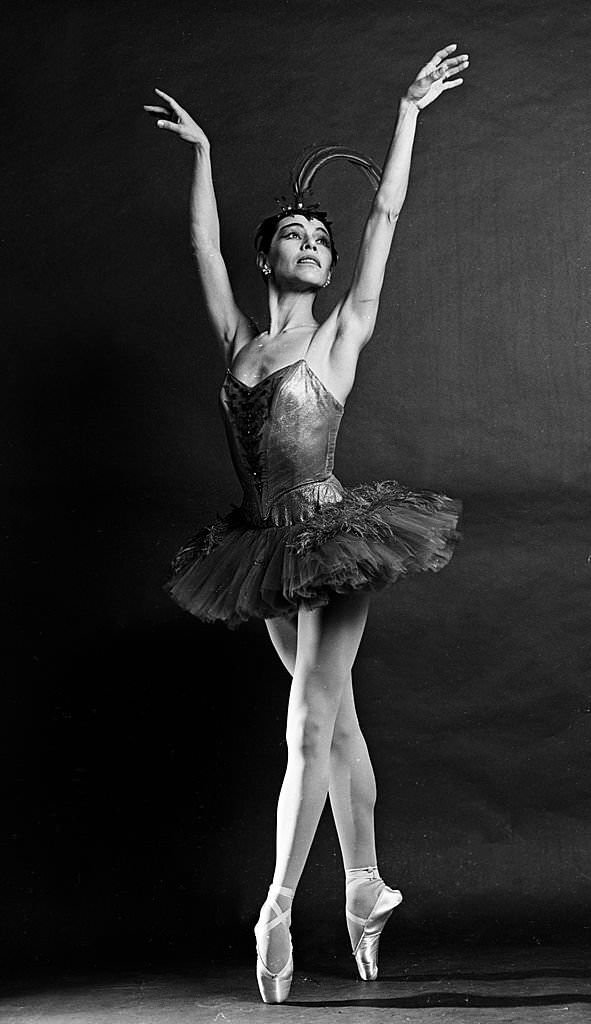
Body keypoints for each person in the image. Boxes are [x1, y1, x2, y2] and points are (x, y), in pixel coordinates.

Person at [144, 43, 468, 1004]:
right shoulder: (242, 340)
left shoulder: (340, 333)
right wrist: (202, 151)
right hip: (256, 547)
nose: (313, 245)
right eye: (294, 234)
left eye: (319, 239)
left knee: (309, 723)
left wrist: (407, 113)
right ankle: (363, 885)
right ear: (268, 255)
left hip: (331, 537)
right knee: (338, 727)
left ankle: (279, 904)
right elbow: (201, 248)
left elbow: (385, 214)